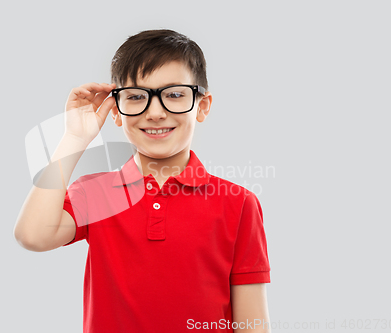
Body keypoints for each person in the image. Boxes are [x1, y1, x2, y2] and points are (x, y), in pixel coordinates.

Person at [14, 29, 272, 333]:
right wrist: (74, 138)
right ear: (116, 112)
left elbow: (252, 323)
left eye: (174, 94)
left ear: (202, 106)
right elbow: (32, 236)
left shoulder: (238, 203)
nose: (155, 112)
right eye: (136, 97)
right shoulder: (95, 193)